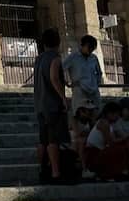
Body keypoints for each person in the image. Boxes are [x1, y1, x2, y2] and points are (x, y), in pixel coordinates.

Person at [33, 28, 69, 183]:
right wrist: (63, 97)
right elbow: (54, 78)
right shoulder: (55, 58)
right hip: (52, 104)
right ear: (58, 42)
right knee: (53, 140)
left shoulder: (38, 59)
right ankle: (55, 173)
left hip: (40, 104)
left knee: (43, 141)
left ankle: (42, 170)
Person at [84, 102, 129, 181]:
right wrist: (124, 138)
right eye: (117, 114)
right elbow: (110, 143)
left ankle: (121, 170)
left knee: (123, 145)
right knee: (119, 148)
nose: (118, 117)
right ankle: (107, 173)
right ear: (110, 114)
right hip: (93, 155)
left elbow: (114, 140)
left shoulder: (109, 125)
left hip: (100, 152)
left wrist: (124, 139)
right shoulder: (104, 123)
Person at [63, 35, 104, 118]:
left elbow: (99, 73)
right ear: (82, 45)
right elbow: (60, 69)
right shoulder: (73, 57)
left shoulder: (94, 58)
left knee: (96, 115)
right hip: (80, 91)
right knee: (81, 117)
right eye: (89, 47)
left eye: (93, 48)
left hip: (94, 92)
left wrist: (96, 82)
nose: (91, 50)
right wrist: (66, 82)